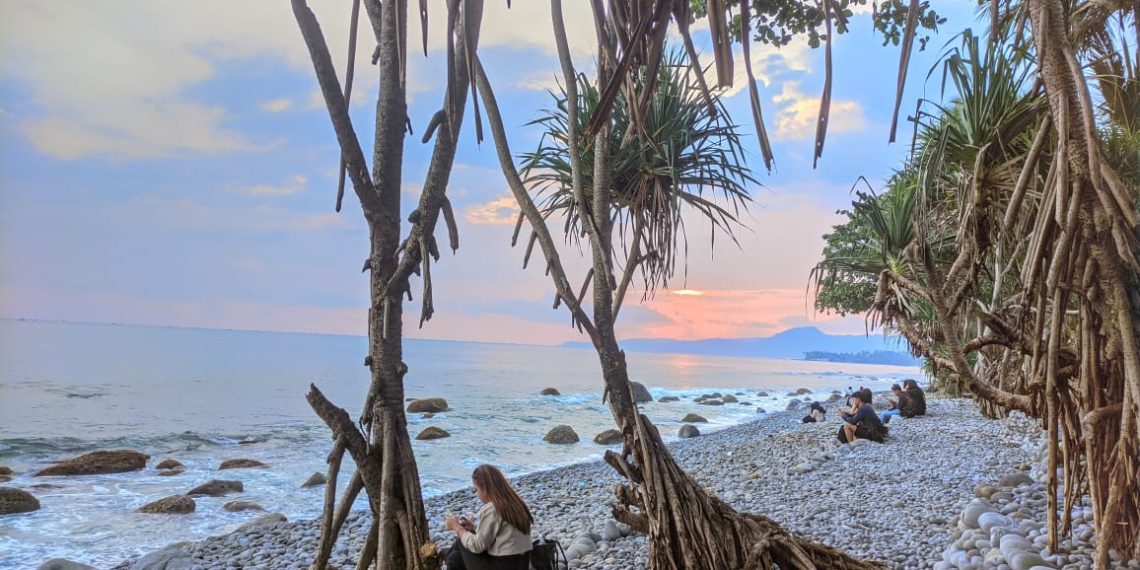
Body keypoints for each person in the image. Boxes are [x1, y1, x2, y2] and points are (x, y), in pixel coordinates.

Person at [445, 464, 533, 570]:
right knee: (456, 554)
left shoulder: (493, 509)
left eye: (476, 489)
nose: (477, 494)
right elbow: (502, 535)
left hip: (502, 565)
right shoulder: (516, 503)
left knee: (460, 545)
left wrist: (457, 528)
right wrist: (473, 529)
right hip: (521, 563)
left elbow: (477, 546)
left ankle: (446, 559)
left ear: (485, 488)